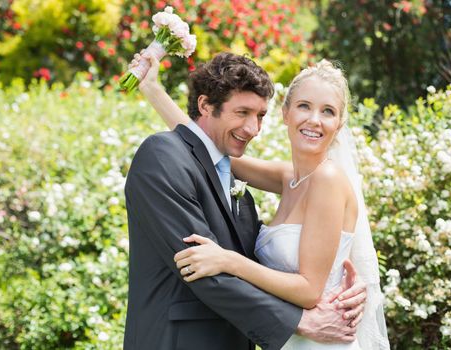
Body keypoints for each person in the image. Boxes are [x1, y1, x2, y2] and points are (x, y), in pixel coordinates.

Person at [130, 52, 390, 350]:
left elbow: (309, 290)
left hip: (320, 338)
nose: (314, 120)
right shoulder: (289, 178)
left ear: (340, 123)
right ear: (286, 113)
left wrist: (228, 260)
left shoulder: (327, 179)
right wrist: (152, 89)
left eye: (328, 111)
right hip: (287, 339)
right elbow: (203, 143)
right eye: (304, 106)